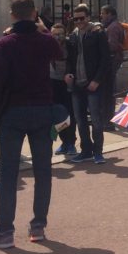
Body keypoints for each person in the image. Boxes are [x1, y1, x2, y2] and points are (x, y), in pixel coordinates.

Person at [0, 0, 63, 248]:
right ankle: (38, 226)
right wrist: (40, 27)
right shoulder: (45, 41)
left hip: (12, 112)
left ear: (12, 14)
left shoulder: (4, 43)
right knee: (43, 171)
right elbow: (58, 51)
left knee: (8, 174)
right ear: (35, 13)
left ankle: (5, 231)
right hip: (42, 110)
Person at [65, 4, 111, 165]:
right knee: (79, 118)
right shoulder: (73, 35)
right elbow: (70, 59)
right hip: (77, 83)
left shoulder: (98, 33)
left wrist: (97, 81)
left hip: (93, 84)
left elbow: (105, 59)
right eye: (75, 19)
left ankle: (98, 151)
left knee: (96, 120)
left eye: (81, 18)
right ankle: (86, 150)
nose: (78, 21)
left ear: (88, 18)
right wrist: (68, 73)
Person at [50, 22, 77, 157]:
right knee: (56, 116)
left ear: (65, 34)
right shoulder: (47, 45)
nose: (58, 37)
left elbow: (75, 62)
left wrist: (71, 74)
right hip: (52, 83)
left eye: (60, 34)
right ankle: (64, 142)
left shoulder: (71, 46)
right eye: (55, 34)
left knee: (69, 115)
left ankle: (71, 142)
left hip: (67, 84)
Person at [99, 4, 125, 131]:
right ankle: (107, 120)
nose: (101, 16)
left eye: (103, 13)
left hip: (111, 62)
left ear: (109, 14)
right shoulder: (113, 26)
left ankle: (108, 122)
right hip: (113, 61)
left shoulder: (113, 27)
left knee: (108, 93)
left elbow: (112, 46)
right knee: (108, 92)